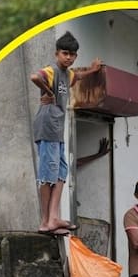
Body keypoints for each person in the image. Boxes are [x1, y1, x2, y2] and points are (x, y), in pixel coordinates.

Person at [29, 31, 103, 236]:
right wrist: (48, 92)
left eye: (72, 54)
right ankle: (45, 221)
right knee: (47, 175)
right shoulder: (52, 71)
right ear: (56, 54)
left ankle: (53, 217)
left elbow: (77, 76)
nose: (68, 57)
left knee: (61, 173)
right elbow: (35, 76)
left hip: (57, 131)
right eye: (65, 53)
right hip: (47, 128)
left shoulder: (67, 74)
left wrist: (92, 70)